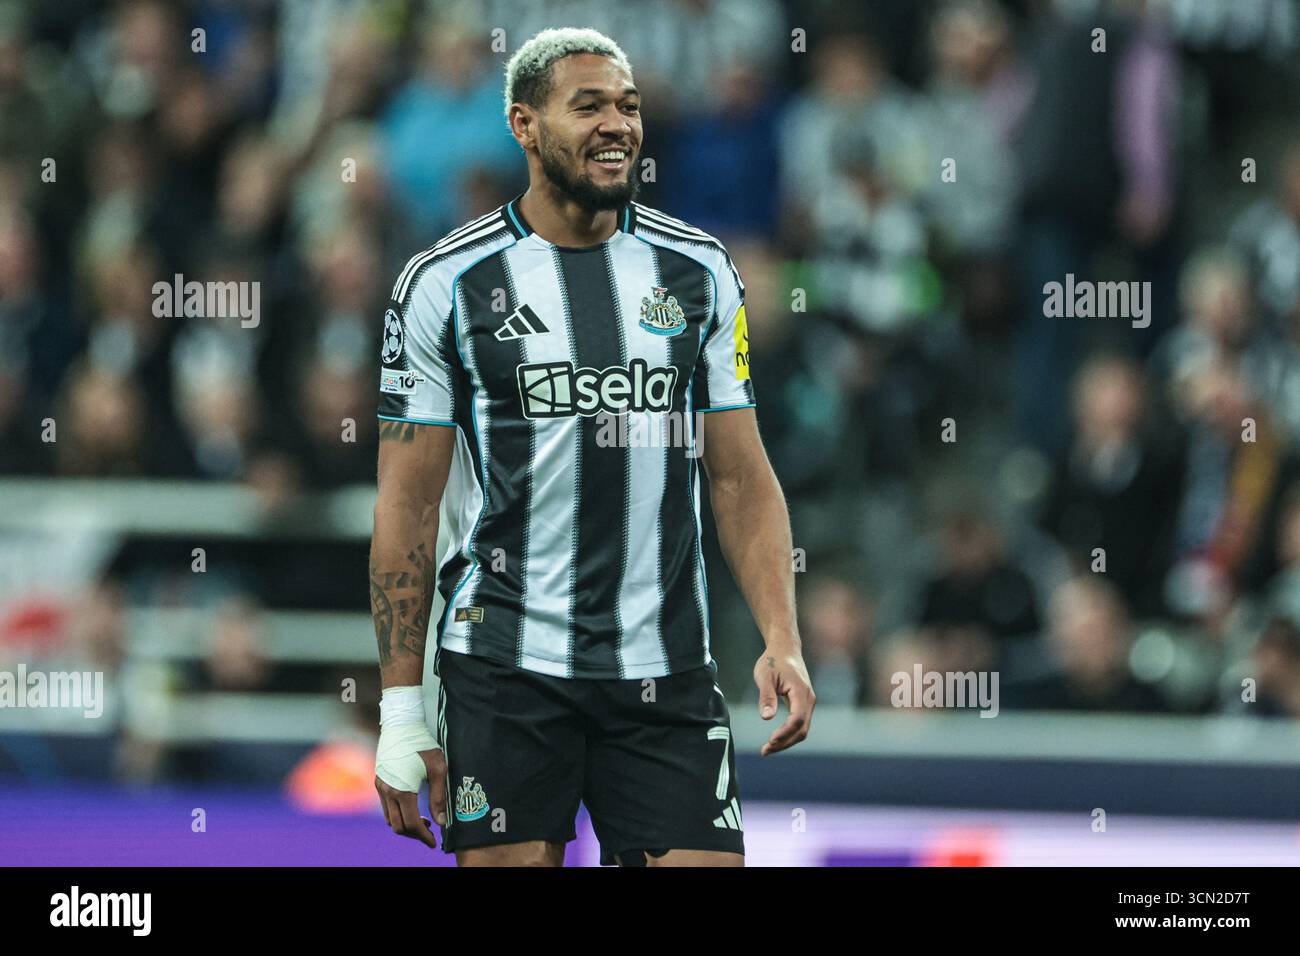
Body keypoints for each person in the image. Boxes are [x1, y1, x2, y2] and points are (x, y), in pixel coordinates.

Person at [367, 27, 814, 868]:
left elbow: (741, 475)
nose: (618, 124)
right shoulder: (445, 286)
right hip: (506, 667)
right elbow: (407, 504)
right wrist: (400, 712)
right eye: (590, 106)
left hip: (666, 666)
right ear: (524, 125)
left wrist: (781, 638)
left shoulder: (700, 272)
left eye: (630, 106)